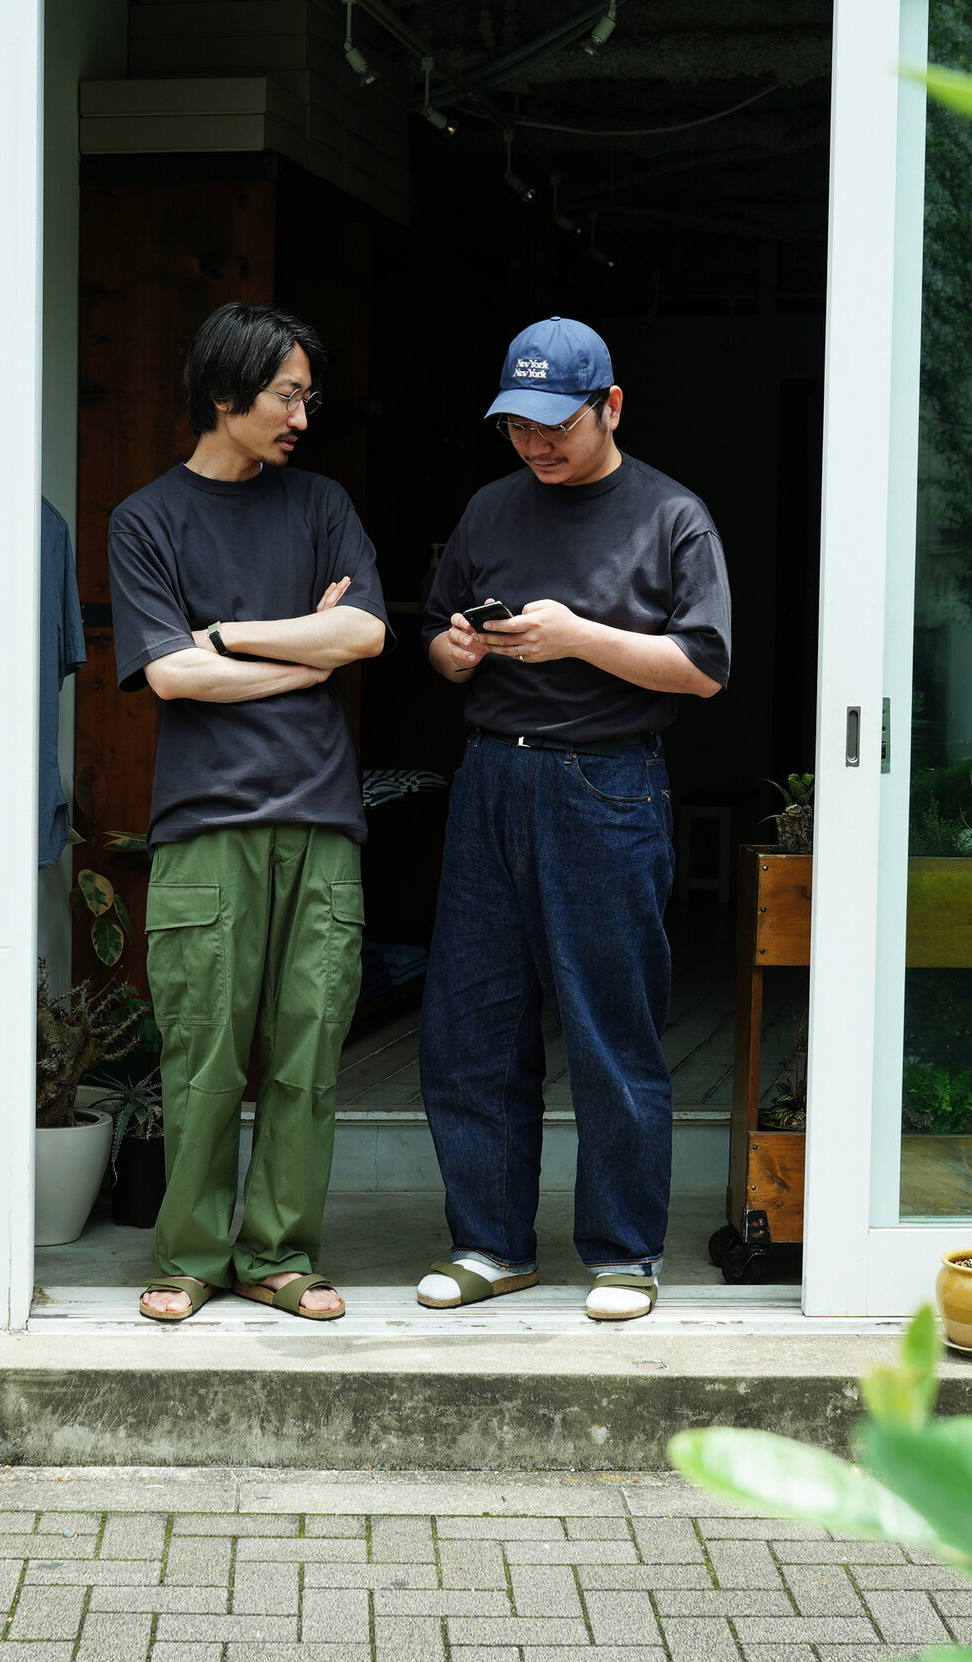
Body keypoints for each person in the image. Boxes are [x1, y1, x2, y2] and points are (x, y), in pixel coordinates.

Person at [414, 316, 731, 1322]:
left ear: (611, 407)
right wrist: (453, 653)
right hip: (488, 783)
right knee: (471, 1026)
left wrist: (578, 639)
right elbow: (436, 628)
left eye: (558, 426)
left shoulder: (671, 516)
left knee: (609, 1028)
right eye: (519, 427)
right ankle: (491, 1246)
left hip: (606, 786)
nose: (538, 445)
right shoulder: (488, 508)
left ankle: (625, 1253)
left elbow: (705, 669)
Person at [106, 302, 390, 1324]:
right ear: (225, 395)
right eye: (286, 395)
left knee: (309, 1054)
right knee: (202, 1056)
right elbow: (172, 679)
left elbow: (360, 635)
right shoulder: (145, 520)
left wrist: (227, 636)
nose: (302, 417)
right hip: (204, 826)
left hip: (321, 821)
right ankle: (186, 1258)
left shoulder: (319, 504)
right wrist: (295, 659)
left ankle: (279, 1256)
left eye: (308, 397)